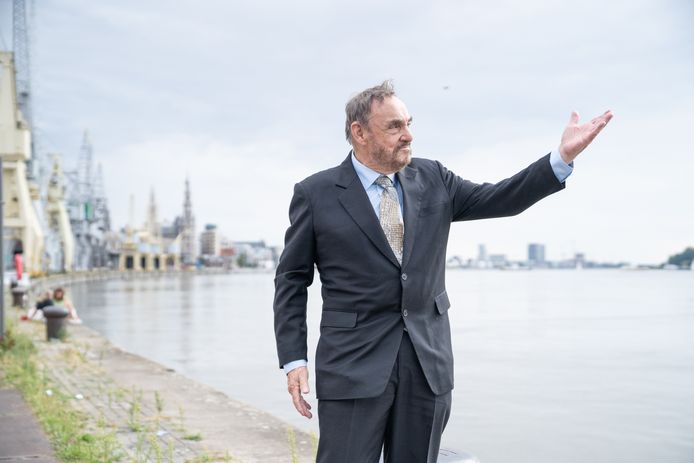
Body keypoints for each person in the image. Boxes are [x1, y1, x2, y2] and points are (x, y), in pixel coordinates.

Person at [273, 80, 612, 463]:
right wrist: (294, 359)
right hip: (352, 366)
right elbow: (291, 280)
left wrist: (560, 159)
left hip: (427, 365)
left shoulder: (433, 178)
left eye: (409, 123)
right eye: (395, 126)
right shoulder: (316, 193)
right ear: (359, 132)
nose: (408, 135)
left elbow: (503, 197)